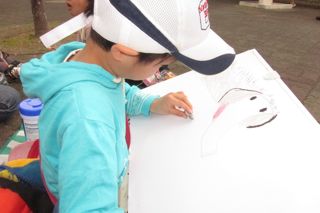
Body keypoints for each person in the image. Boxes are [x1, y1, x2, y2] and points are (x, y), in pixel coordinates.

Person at [19, 0, 235, 212]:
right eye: (161, 64)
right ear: (122, 53)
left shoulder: (84, 60)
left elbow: (116, 90)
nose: (160, 70)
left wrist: (152, 103)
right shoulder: (88, 121)